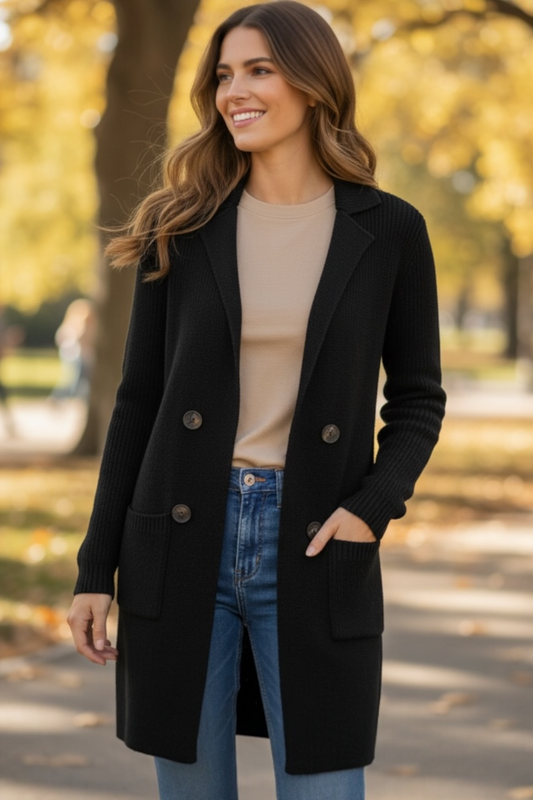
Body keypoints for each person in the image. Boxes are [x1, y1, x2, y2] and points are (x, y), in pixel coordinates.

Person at [67, 2, 446, 798]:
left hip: (313, 543)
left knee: (325, 785)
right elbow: (138, 405)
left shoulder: (389, 231)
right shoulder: (184, 226)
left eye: (259, 70)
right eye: (224, 75)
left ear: (313, 85)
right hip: (179, 540)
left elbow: (416, 399)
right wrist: (94, 568)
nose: (233, 90)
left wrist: (372, 505)